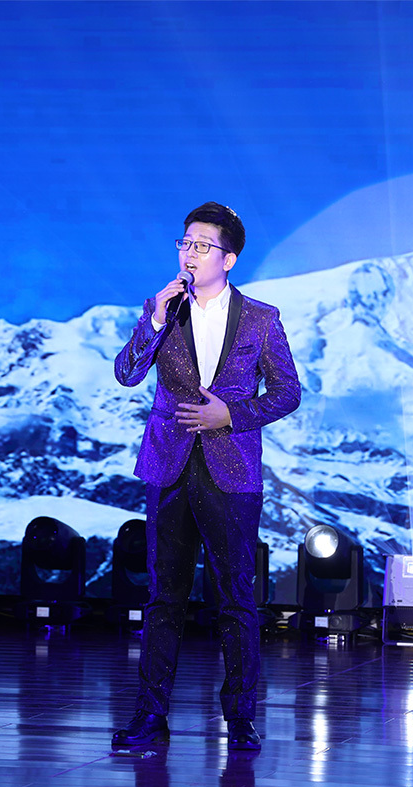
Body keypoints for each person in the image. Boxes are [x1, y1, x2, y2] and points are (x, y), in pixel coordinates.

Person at [112, 201, 301, 751]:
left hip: (231, 470)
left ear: (229, 258)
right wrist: (152, 320)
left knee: (235, 600)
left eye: (202, 245)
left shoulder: (261, 319)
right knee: (163, 598)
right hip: (169, 466)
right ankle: (150, 717)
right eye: (185, 243)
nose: (190, 253)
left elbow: (287, 392)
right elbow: (126, 374)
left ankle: (240, 719)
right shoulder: (163, 310)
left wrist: (231, 415)